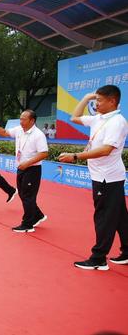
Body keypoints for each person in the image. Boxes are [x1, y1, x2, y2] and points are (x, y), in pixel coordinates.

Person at [58, 86, 128, 270]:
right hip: (102, 175)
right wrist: (86, 97)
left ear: (112, 101)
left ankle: (99, 258)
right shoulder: (98, 118)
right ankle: (127, 251)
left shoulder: (117, 122)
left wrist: (75, 156)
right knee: (120, 216)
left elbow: (106, 150)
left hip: (107, 178)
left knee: (104, 217)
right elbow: (74, 117)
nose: (96, 104)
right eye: (95, 100)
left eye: (100, 100)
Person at [0, 110, 49, 233]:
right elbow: (4, 133)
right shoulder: (19, 130)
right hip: (21, 168)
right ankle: (38, 215)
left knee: (28, 196)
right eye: (20, 118)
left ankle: (27, 224)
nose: (21, 121)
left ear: (32, 120)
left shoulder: (38, 135)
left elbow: (44, 153)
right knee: (22, 194)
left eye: (24, 119)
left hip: (32, 169)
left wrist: (28, 163)